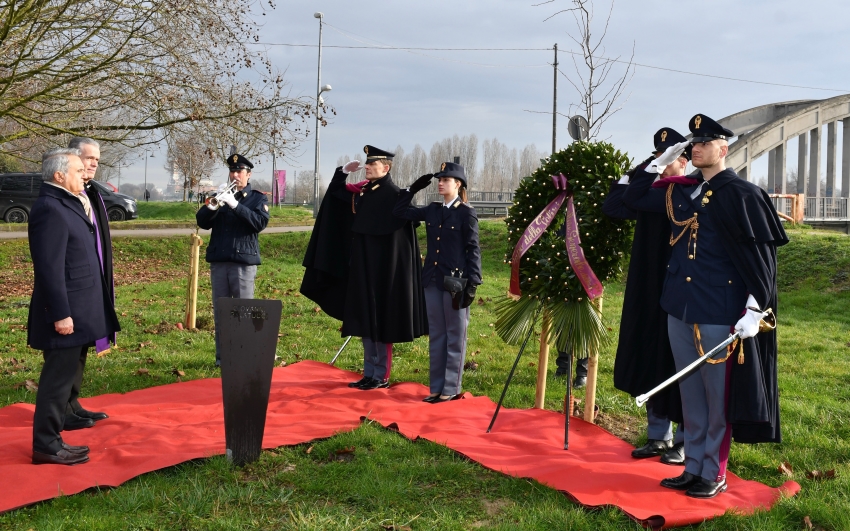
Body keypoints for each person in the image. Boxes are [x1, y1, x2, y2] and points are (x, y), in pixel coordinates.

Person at [623, 114, 787, 499]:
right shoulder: (683, 190)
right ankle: (692, 466)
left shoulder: (743, 194)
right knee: (690, 396)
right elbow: (631, 198)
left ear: (723, 148)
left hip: (718, 312)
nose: (696, 148)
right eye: (693, 143)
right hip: (678, 309)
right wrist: (659, 162)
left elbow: (762, 261)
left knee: (717, 400)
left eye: (704, 143)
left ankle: (713, 471)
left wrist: (755, 308)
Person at [300, 145, 428, 390]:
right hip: (362, 267)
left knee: (382, 323)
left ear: (386, 168)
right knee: (365, 320)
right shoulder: (364, 191)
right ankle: (369, 372)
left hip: (384, 272)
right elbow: (335, 195)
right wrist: (342, 173)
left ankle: (381, 375)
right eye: (367, 163)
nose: (367, 167)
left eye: (372, 164)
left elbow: (401, 241)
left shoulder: (394, 195)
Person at [602, 128, 693, 465]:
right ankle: (658, 434)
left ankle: (684, 439)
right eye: (659, 157)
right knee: (651, 356)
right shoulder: (648, 191)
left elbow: (634, 199)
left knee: (679, 362)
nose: (663, 163)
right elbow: (613, 205)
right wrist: (648, 166)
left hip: (681, 286)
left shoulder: (691, 191)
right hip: (647, 285)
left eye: (670, 157)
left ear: (684, 161)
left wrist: (650, 172)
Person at [27, 148, 121, 465]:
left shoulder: (66, 202)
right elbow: (49, 268)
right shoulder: (50, 208)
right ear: (58, 175)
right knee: (56, 382)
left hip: (79, 308)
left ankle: (54, 437)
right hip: (65, 312)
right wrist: (61, 314)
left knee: (65, 378)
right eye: (78, 170)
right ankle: (46, 445)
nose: (84, 174)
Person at [393, 162, 482, 403]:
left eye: (445, 180)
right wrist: (412, 189)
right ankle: (436, 388)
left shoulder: (466, 213)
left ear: (458, 184)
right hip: (432, 279)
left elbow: (473, 249)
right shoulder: (433, 209)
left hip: (456, 282)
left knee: (455, 335)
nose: (440, 183)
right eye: (439, 180)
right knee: (437, 334)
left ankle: (450, 388)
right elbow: (399, 212)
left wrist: (474, 282)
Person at [54, 137, 115, 431]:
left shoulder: (91, 193)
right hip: (71, 287)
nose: (93, 164)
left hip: (90, 282)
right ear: (72, 158)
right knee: (66, 351)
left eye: (97, 160)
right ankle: (60, 409)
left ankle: (72, 402)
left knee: (81, 346)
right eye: (88, 158)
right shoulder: (63, 198)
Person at [196, 153, 269, 366]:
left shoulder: (257, 198)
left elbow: (259, 223)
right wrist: (213, 205)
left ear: (249, 174)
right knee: (222, 312)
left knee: (243, 311)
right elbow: (202, 222)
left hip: (243, 262)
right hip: (220, 261)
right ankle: (223, 358)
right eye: (232, 171)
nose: (235, 175)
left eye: (239, 171)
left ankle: (243, 356)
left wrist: (235, 205)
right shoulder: (220, 195)